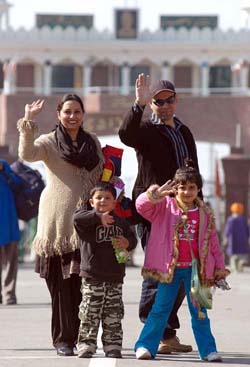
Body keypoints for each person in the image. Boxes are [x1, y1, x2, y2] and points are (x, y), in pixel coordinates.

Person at [119, 73, 201, 353]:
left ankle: (166, 332)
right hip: (154, 211)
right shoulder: (145, 130)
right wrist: (138, 104)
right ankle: (152, 331)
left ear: (176, 101)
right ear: (152, 104)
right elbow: (125, 135)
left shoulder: (183, 131)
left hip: (183, 211)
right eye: (158, 102)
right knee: (157, 271)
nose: (164, 106)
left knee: (182, 274)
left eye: (169, 100)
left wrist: (198, 204)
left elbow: (194, 172)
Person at [17, 94, 104, 356]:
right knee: (60, 287)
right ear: (58, 114)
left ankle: (80, 337)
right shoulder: (49, 142)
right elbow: (27, 154)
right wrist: (29, 122)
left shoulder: (93, 142)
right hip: (57, 223)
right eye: (67, 111)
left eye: (77, 111)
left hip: (86, 222)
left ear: (83, 115)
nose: (72, 116)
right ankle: (62, 340)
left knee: (82, 285)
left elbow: (102, 172)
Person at [134, 160, 230, 361]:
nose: (187, 192)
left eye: (192, 188)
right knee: (160, 309)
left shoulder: (205, 213)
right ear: (175, 189)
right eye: (182, 188)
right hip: (171, 270)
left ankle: (208, 350)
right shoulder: (163, 208)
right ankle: (145, 346)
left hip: (197, 272)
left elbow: (214, 245)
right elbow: (141, 207)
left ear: (198, 190)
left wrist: (219, 271)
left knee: (200, 312)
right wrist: (155, 194)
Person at [73, 181, 137, 358]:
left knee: (114, 313)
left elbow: (132, 239)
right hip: (92, 275)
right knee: (89, 313)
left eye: (107, 198)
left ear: (115, 202)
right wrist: (98, 217)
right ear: (91, 202)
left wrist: (127, 243)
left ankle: (113, 345)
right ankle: (86, 344)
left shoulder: (121, 223)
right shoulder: (86, 221)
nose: (103, 201)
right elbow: (76, 218)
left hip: (115, 276)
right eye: (98, 198)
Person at [0, 159, 21, 305]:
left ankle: (9, 294)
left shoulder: (6, 171)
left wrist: (4, 170)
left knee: (11, 263)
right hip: (7, 226)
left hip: (10, 226)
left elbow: (18, 185)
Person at [224, 202, 250, 272]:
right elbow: (247, 229)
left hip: (233, 239)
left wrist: (225, 238)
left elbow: (227, 230)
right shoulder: (243, 219)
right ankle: (241, 263)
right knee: (242, 253)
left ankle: (234, 267)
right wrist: (248, 237)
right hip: (242, 239)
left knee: (233, 255)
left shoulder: (230, 219)